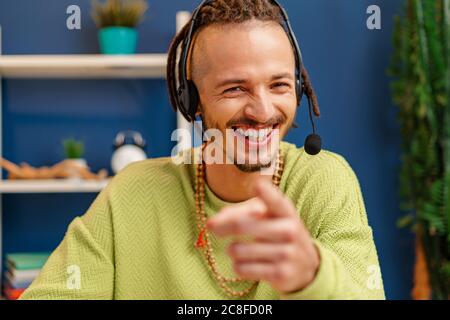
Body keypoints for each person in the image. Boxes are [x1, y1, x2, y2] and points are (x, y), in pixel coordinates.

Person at [21, 0, 385, 300]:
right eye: (235, 89)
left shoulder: (324, 180)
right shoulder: (133, 193)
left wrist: (315, 277)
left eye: (279, 85)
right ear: (190, 100)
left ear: (300, 90)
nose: (262, 111)